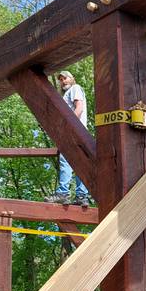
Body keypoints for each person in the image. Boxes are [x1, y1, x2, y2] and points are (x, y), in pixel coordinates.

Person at [45, 70, 91, 205]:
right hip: (79, 131)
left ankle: (63, 193)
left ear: (72, 79)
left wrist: (68, 126)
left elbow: (79, 108)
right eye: (60, 79)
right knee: (80, 162)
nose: (62, 81)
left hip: (73, 131)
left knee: (66, 161)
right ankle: (81, 197)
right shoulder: (66, 94)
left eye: (65, 78)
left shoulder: (75, 88)